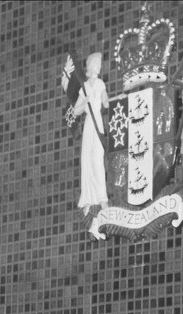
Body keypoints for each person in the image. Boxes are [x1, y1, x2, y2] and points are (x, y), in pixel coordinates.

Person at [72, 51, 109, 214]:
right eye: (98, 64)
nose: (100, 67)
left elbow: (106, 103)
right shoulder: (85, 87)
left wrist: (117, 99)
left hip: (98, 123)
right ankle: (88, 198)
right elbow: (75, 111)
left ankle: (102, 198)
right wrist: (85, 101)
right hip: (88, 124)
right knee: (87, 160)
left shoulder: (100, 83)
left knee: (97, 159)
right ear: (93, 66)